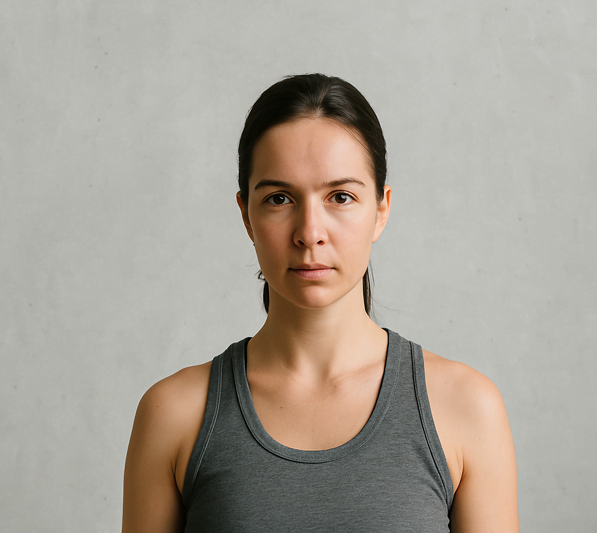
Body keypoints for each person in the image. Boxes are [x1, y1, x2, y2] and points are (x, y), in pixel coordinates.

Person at [122, 74, 518, 532]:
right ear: (245, 215)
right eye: (279, 198)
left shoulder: (466, 407)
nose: (310, 232)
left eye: (341, 197)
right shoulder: (173, 414)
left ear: (381, 209)